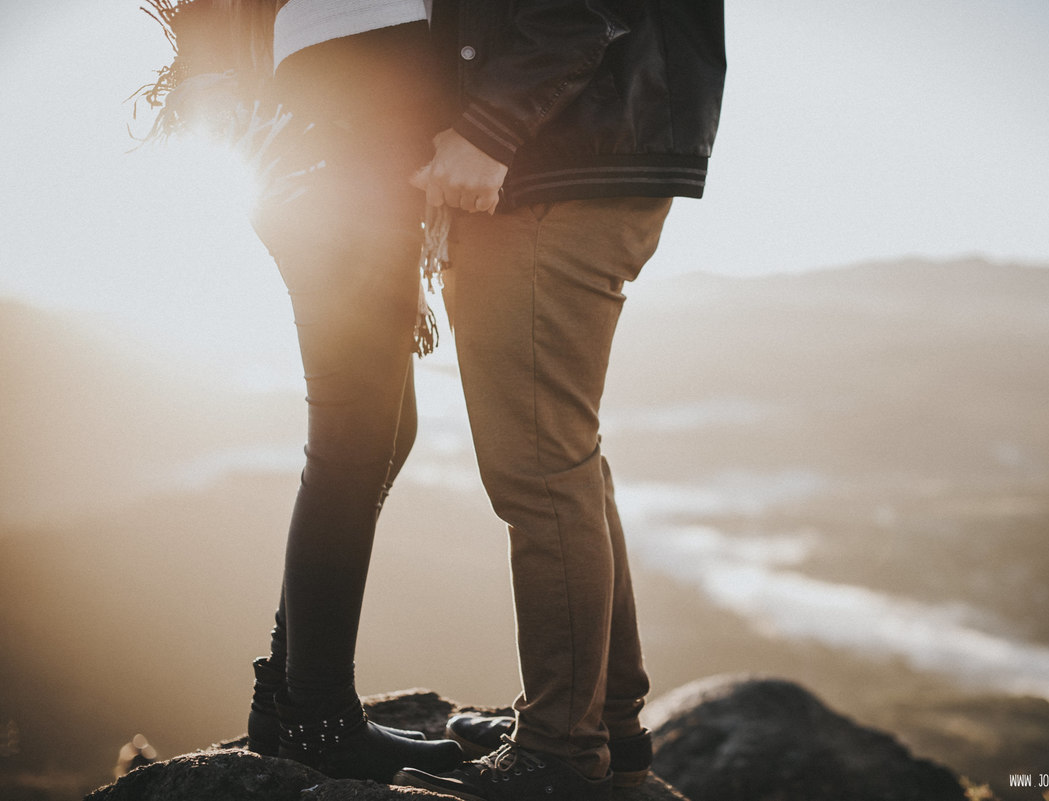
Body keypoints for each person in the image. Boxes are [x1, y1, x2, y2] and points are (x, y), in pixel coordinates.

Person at [395, 2, 727, 799]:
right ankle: (603, 723)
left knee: (538, 466)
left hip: (553, 156)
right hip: (575, 148)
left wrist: (491, 126)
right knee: (562, 452)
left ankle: (559, 753)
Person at [236, 1, 463, 782]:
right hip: (346, 145)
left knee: (383, 434)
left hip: (335, 144)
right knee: (350, 448)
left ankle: (286, 695)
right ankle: (319, 718)